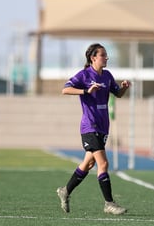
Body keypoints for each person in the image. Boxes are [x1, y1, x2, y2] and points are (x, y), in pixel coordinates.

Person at [56, 43, 131, 215]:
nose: (106, 58)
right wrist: (86, 90)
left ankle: (65, 191)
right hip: (90, 126)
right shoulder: (84, 75)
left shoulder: (107, 75)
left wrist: (124, 87)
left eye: (106, 55)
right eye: (103, 55)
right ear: (93, 58)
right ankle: (109, 203)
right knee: (103, 163)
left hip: (103, 126)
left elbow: (117, 93)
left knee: (88, 163)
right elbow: (65, 90)